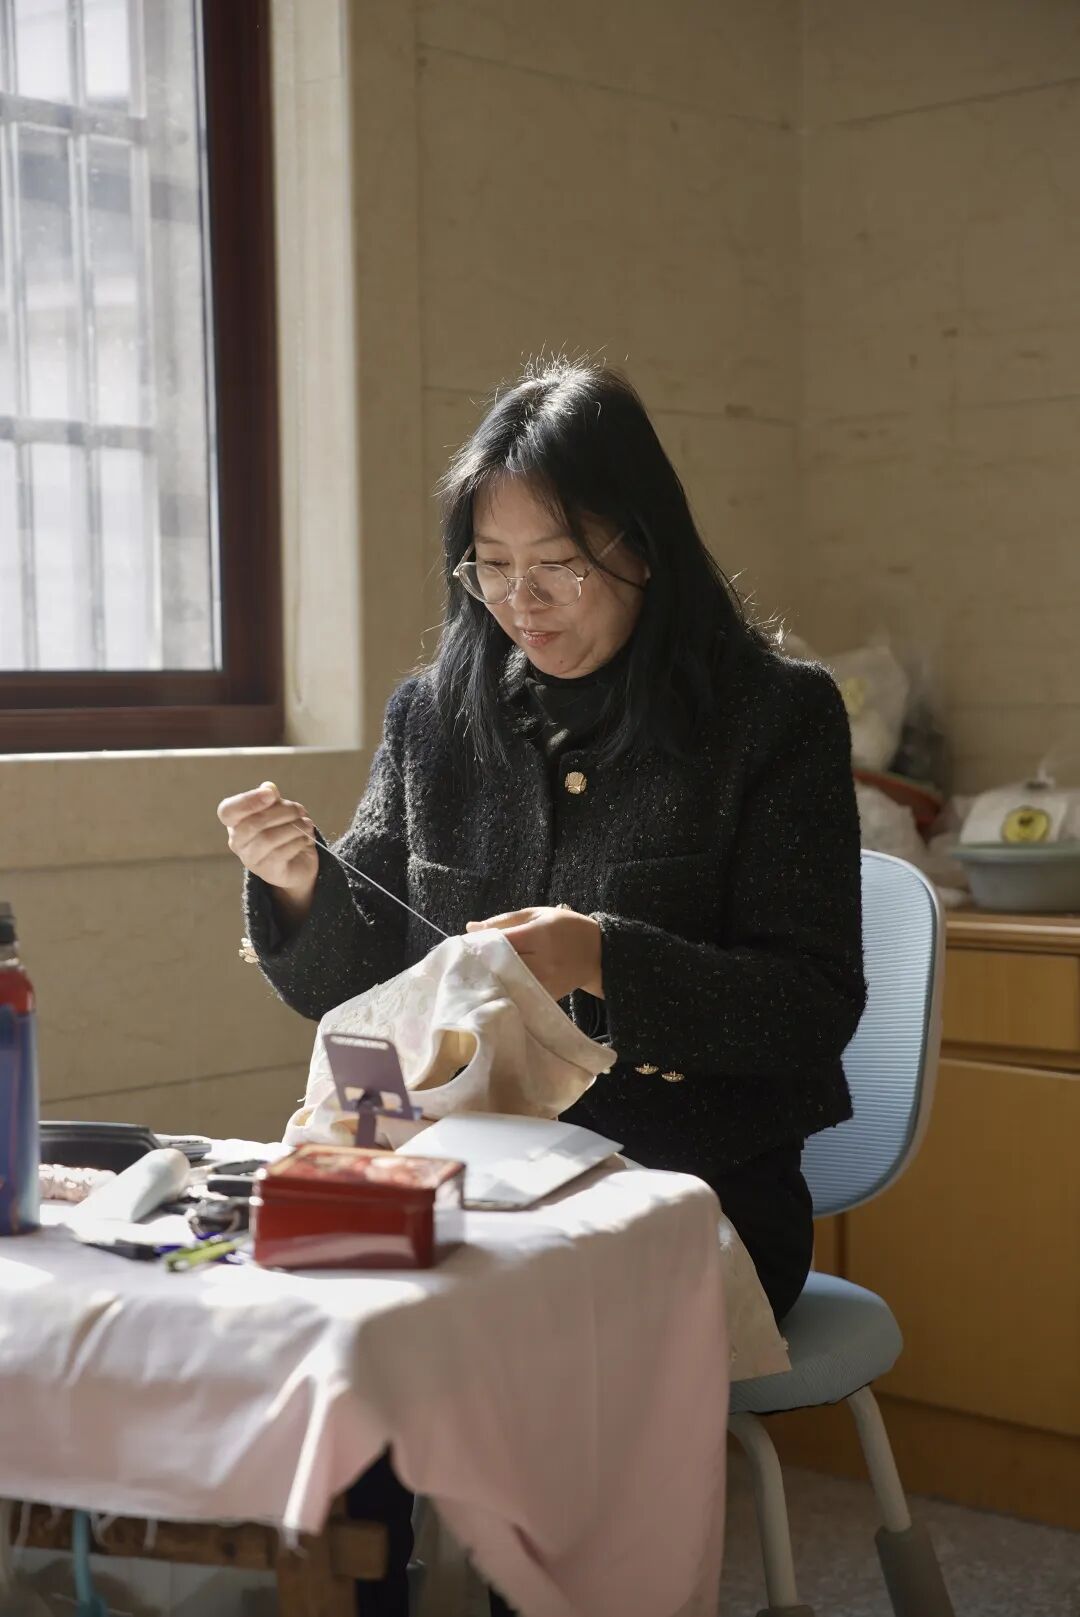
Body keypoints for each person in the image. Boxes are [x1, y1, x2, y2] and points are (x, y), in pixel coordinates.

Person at [217, 357, 867, 1617]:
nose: (521, 601)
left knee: (489, 1332)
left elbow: (810, 1003)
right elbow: (363, 986)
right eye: (491, 566)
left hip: (691, 1193)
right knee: (329, 1309)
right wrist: (297, 885)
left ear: (643, 547)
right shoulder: (435, 717)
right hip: (470, 1172)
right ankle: (360, 1589)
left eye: (558, 565)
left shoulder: (773, 716)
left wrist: (604, 956)